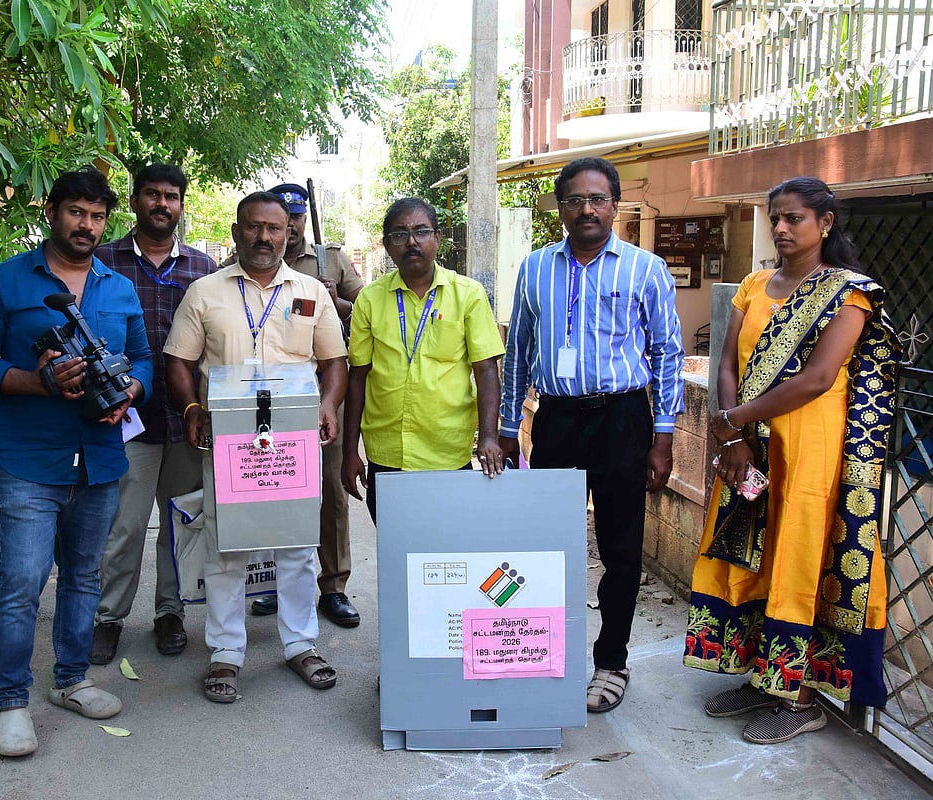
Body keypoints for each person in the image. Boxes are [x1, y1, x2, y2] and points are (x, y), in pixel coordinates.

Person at [683, 177, 900, 744]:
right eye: (775, 218)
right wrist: (733, 434)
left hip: (810, 446)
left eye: (794, 218)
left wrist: (736, 420)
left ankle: (801, 697)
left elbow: (819, 378)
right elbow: (725, 362)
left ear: (825, 223)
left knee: (796, 558)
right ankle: (763, 676)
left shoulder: (849, 293)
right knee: (753, 551)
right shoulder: (754, 284)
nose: (780, 228)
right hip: (748, 442)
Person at [0, 167, 154, 757]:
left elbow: (142, 360)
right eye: (76, 212)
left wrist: (131, 395)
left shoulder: (118, 289)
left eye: (96, 216)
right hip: (28, 461)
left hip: (99, 459)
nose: (86, 225)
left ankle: (71, 679)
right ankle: (12, 702)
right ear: (53, 212)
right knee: (20, 582)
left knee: (84, 577)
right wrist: (34, 381)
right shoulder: (3, 282)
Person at [498, 156, 685, 714]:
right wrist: (510, 428)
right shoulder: (534, 269)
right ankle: (541, 653)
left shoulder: (645, 269)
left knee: (621, 548)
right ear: (559, 207)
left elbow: (667, 354)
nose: (586, 208)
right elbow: (519, 356)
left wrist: (664, 435)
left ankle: (611, 662)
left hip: (622, 420)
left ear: (615, 205)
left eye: (598, 199)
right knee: (546, 543)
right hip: (554, 420)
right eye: (575, 199)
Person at [163, 191, 348, 703]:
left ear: (288, 232)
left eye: (274, 229)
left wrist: (328, 406)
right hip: (229, 438)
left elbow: (334, 361)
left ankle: (299, 644)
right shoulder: (204, 292)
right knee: (228, 546)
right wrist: (191, 411)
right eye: (253, 228)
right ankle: (226, 653)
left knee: (296, 544)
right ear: (236, 230)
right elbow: (178, 360)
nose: (264, 238)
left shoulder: (311, 290)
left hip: (292, 439)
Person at [88, 164, 218, 665]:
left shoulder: (203, 270)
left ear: (181, 204)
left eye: (171, 196)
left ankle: (170, 612)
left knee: (180, 522)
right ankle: (108, 618)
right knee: (124, 525)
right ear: (136, 200)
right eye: (152, 195)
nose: (162, 204)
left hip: (190, 420)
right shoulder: (103, 262)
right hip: (128, 421)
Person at [341, 197, 506, 523]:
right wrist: (350, 452)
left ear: (437, 239)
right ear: (388, 245)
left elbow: (486, 371)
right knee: (394, 553)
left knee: (446, 554)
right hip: (387, 453)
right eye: (400, 234)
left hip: (447, 450)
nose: (412, 242)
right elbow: (357, 378)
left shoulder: (468, 295)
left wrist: (488, 436)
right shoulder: (370, 300)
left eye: (421, 232)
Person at [245, 182, 365, 626]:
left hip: (318, 398)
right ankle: (274, 582)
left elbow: (365, 308)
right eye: (283, 218)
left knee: (330, 494)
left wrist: (336, 298)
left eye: (295, 218)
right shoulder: (244, 262)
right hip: (258, 402)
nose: (289, 227)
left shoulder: (330, 258)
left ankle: (333, 586)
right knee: (268, 490)